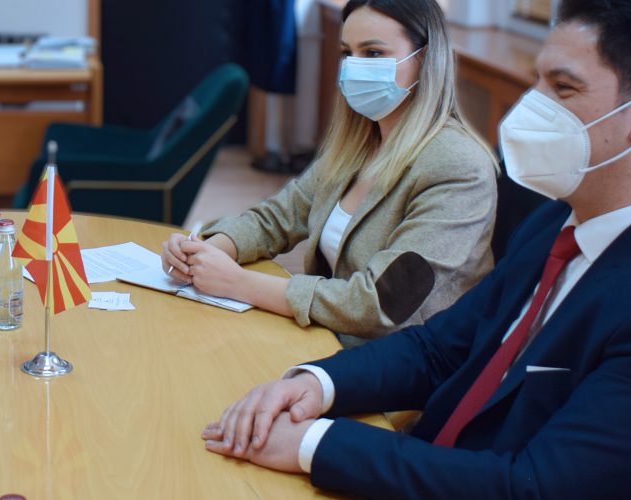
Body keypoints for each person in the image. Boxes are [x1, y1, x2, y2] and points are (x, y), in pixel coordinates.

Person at [201, 0, 631, 497]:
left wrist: (316, 445)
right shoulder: (560, 220)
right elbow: (439, 350)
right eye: (537, 81)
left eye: (563, 88)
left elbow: (533, 487)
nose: (531, 106)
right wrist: (315, 384)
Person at [161, 0, 496, 343]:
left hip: (401, 359)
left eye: (373, 53)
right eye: (347, 52)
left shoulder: (458, 165)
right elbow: (277, 218)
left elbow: (381, 304)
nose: (354, 66)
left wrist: (238, 283)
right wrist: (206, 251)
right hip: (331, 336)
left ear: (424, 59)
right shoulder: (360, 142)